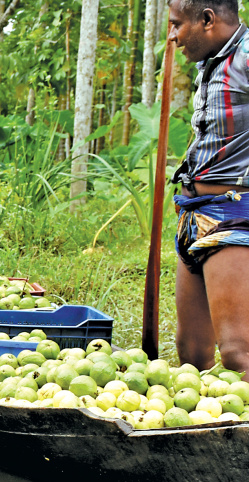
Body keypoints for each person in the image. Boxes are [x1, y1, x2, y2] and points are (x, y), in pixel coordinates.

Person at [168, 0, 249, 378]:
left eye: (176, 25)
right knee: (192, 353)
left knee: (238, 353)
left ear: (206, 20)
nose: (172, 36)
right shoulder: (212, 62)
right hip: (195, 216)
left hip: (235, 215)